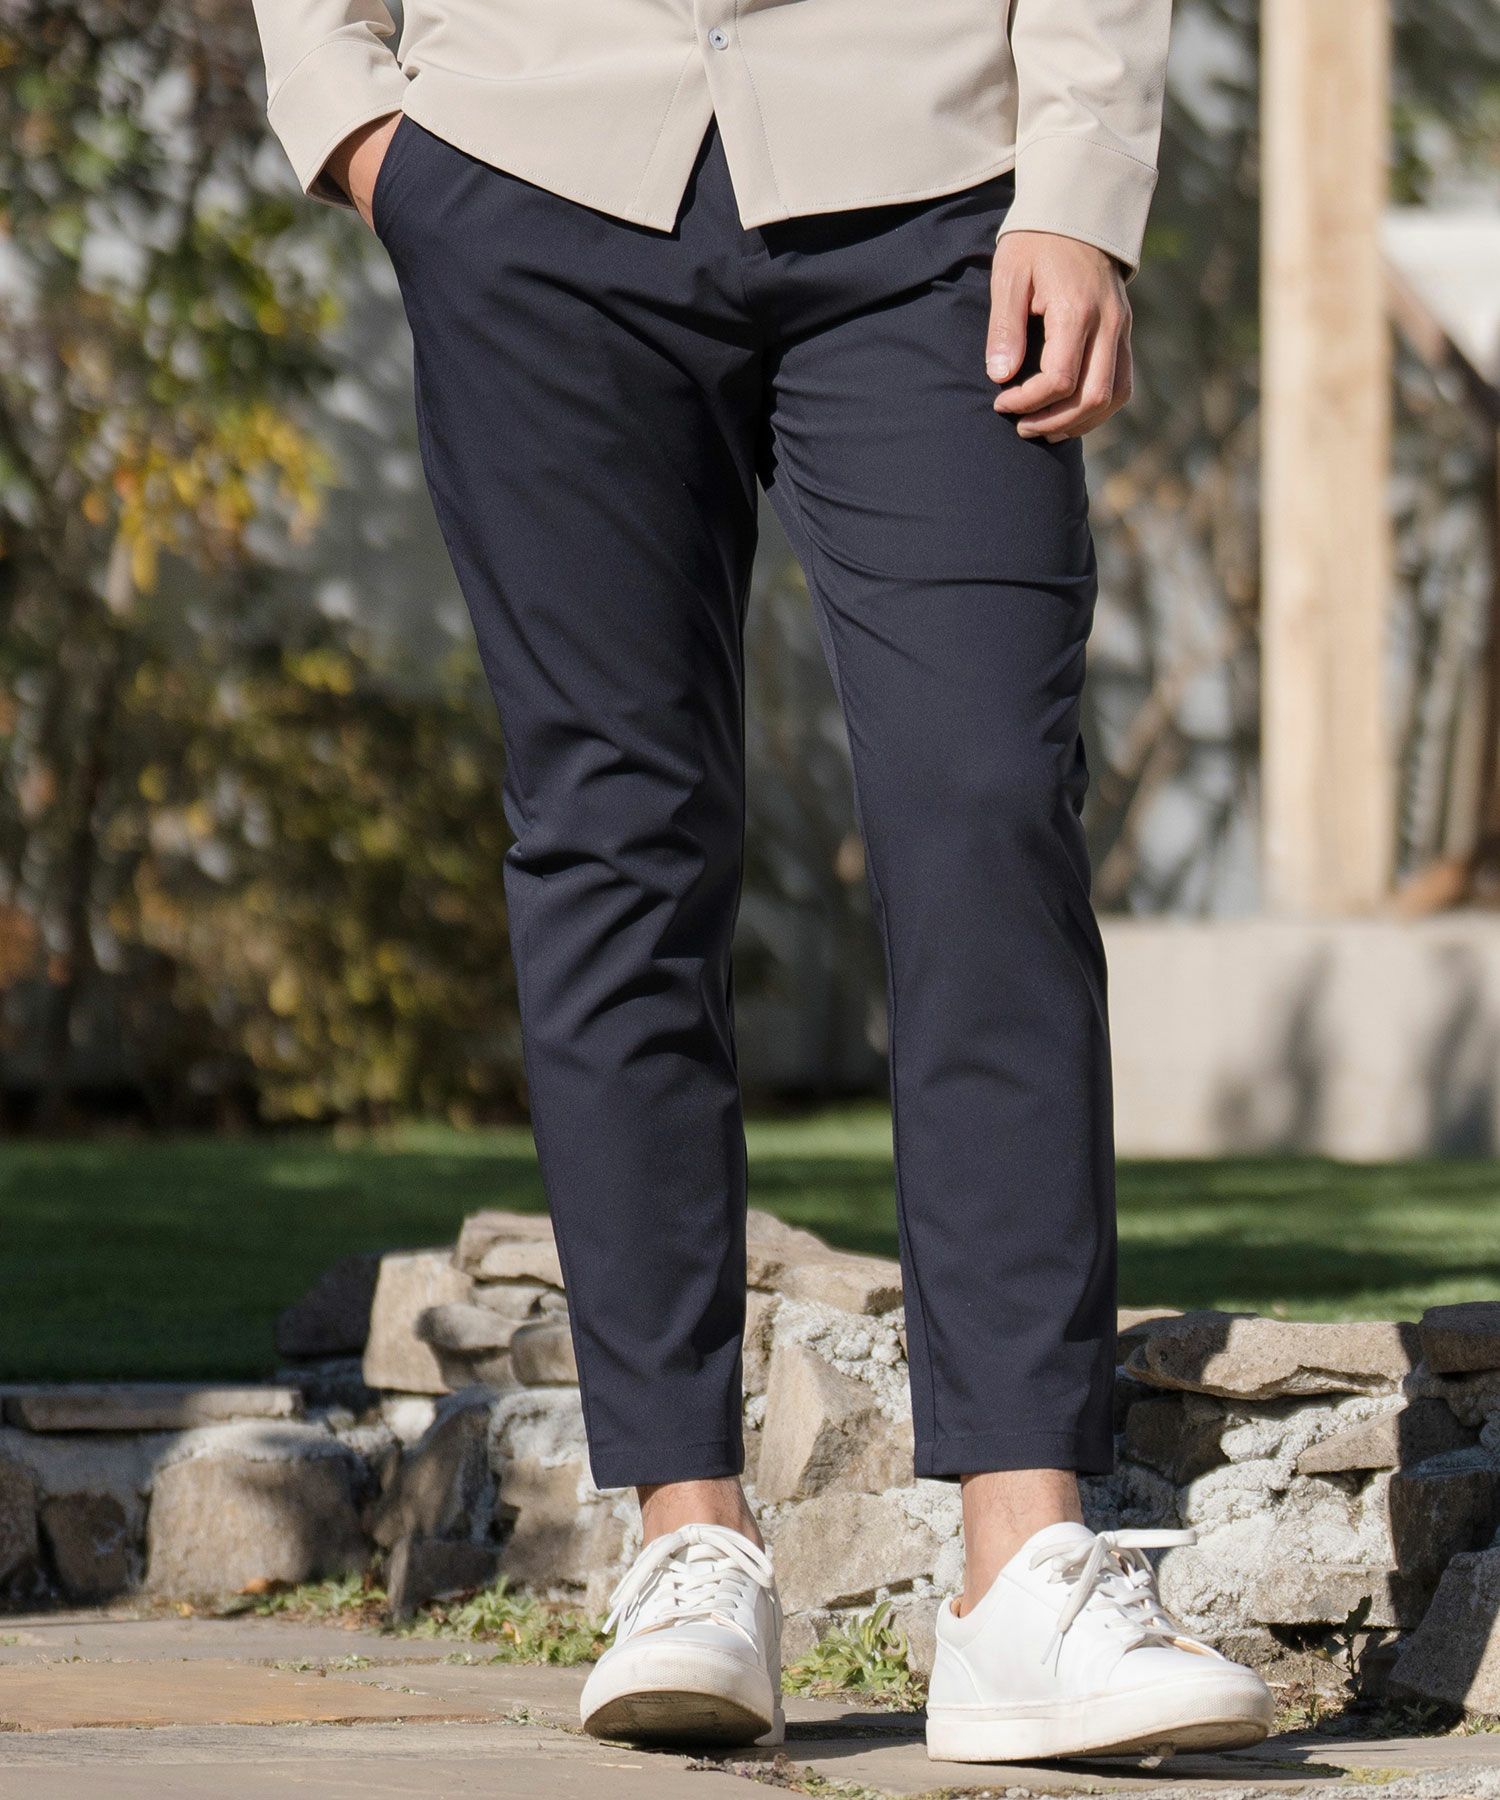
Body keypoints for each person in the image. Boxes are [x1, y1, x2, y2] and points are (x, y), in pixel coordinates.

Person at [249, 0, 1275, 1764]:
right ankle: (686, 1539)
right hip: (530, 167)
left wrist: (1081, 184)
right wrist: (354, 119)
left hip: (935, 179)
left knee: (984, 800)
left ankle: (1025, 1569)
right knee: (615, 833)